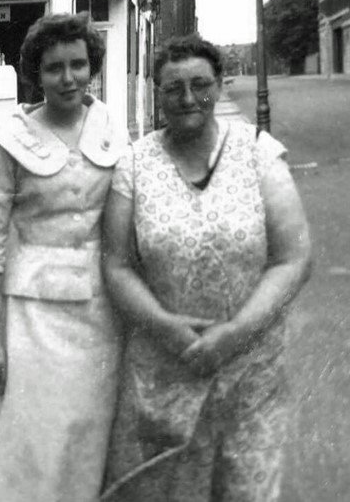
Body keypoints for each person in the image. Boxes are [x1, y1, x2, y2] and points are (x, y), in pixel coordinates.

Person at [100, 34, 312, 501]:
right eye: (174, 88)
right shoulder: (133, 166)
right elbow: (115, 266)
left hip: (251, 373)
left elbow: (294, 257)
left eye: (200, 84)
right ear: (158, 92)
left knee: (247, 493)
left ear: (219, 85)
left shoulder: (257, 151)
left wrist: (236, 331)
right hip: (167, 374)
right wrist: (168, 329)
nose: (188, 98)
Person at [0, 12, 128, 501]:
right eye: (55, 68)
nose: (69, 78)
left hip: (103, 314)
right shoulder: (9, 142)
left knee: (92, 440)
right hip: (35, 321)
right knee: (37, 441)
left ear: (91, 67)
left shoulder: (110, 127)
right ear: (35, 75)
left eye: (78, 65)